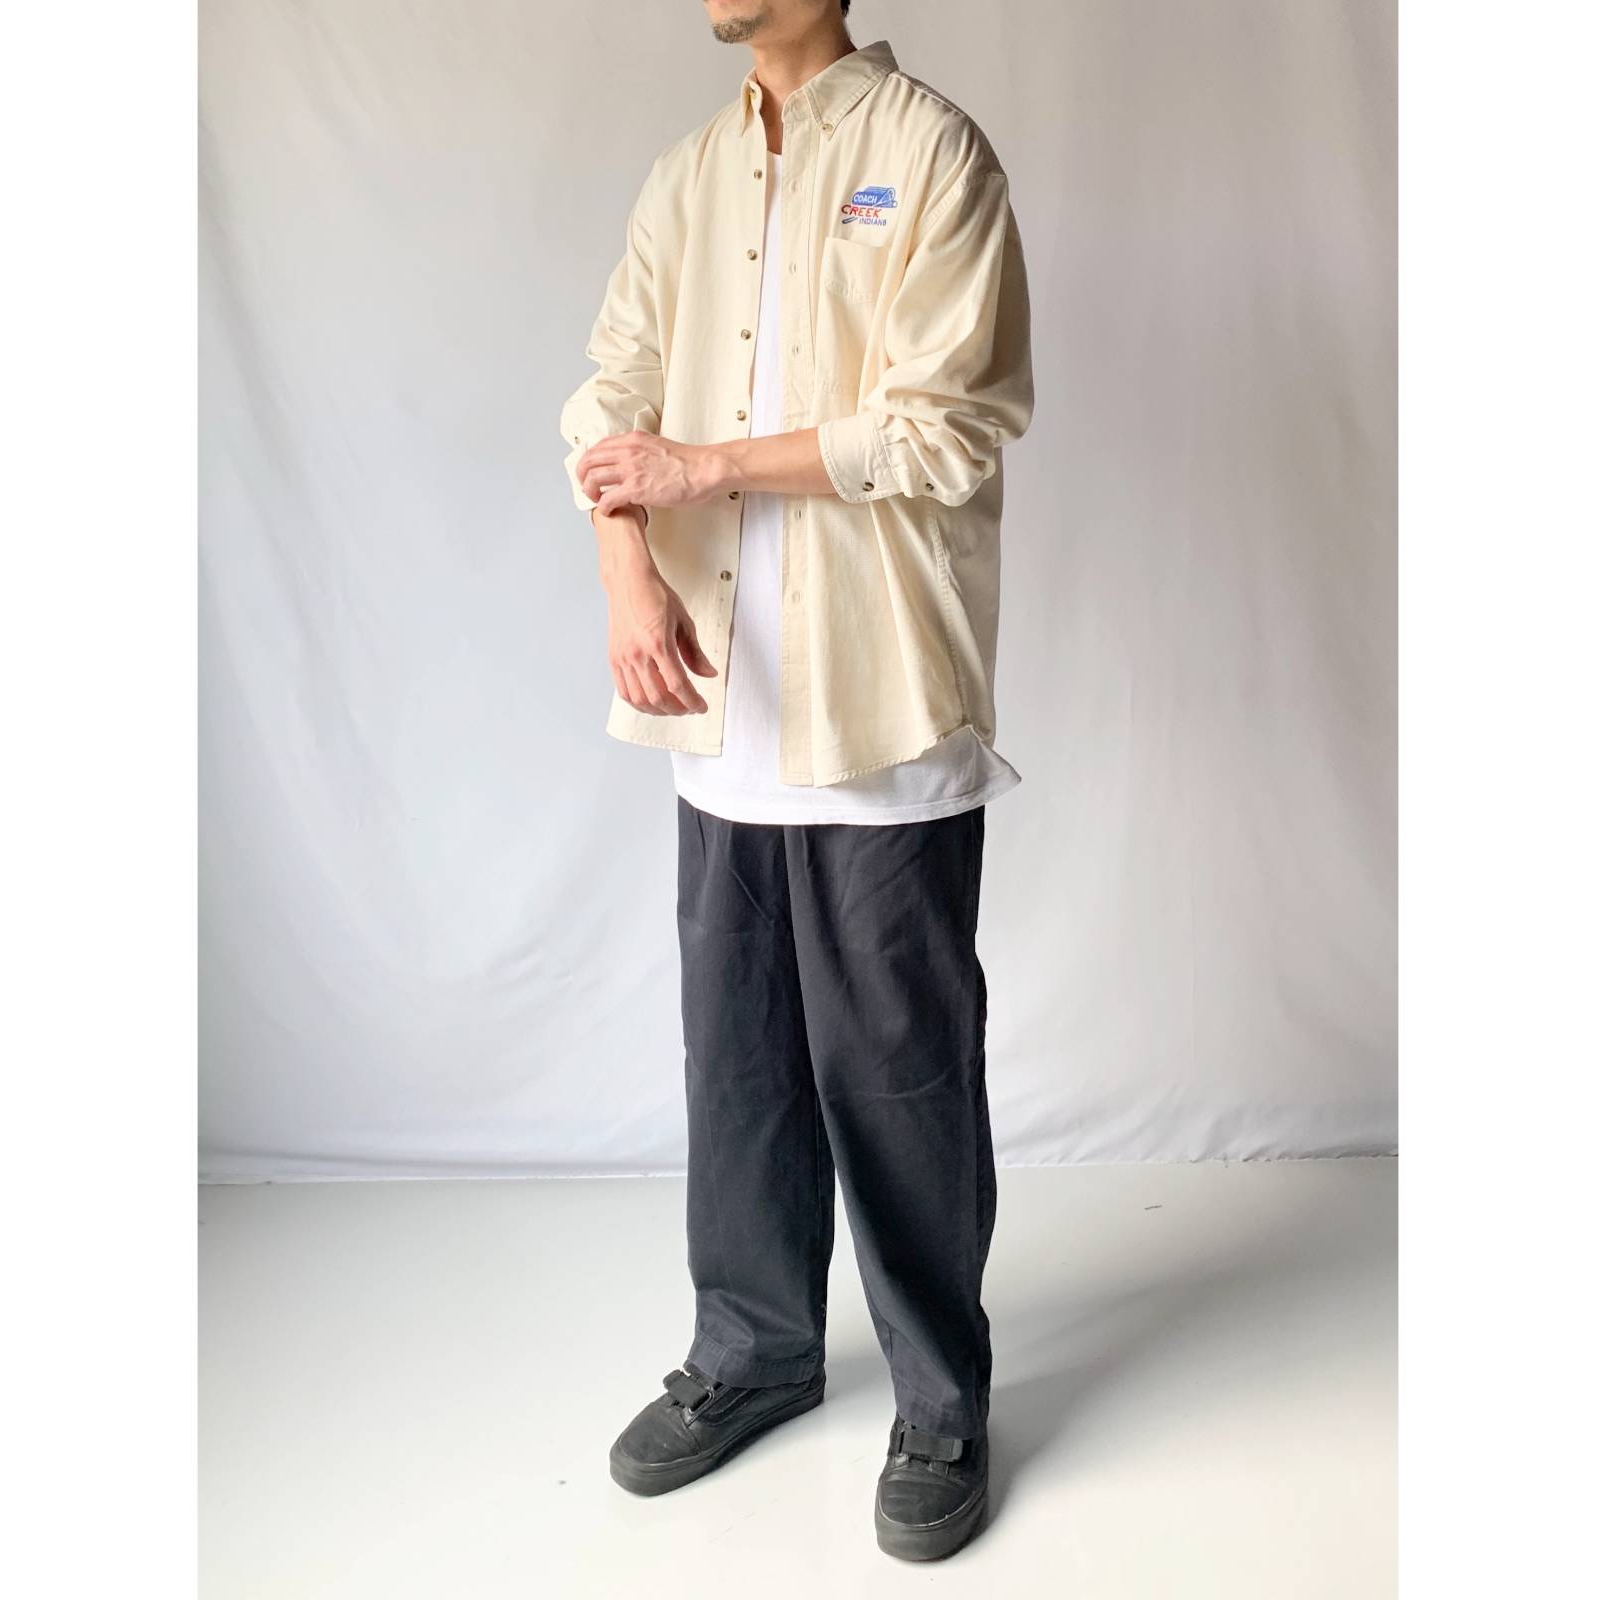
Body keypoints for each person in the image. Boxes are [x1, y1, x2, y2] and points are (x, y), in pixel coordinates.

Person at [558, 0, 1033, 1562]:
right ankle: (754, 1350)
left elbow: (947, 426)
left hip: (875, 698)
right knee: (740, 1066)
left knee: (896, 1070)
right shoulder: (688, 174)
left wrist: (710, 468)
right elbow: (611, 400)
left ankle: (941, 1400)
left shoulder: (932, 154)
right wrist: (629, 577)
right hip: (723, 708)